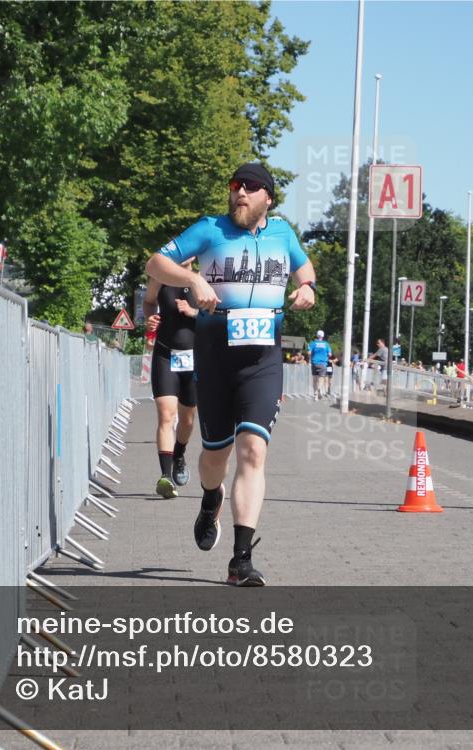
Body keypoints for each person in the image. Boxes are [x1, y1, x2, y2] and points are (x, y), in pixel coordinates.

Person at [147, 162, 316, 586]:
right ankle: (210, 499)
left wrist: (307, 288)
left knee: (253, 451)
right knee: (214, 458)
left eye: (251, 186)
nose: (240, 191)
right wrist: (191, 278)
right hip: (215, 357)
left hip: (263, 360)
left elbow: (305, 270)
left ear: (268, 197)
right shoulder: (210, 229)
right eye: (235, 185)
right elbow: (155, 263)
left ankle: (241, 561)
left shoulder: (283, 234)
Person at [143, 259, 199, 499]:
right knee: (166, 414)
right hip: (165, 355)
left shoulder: (202, 280)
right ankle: (165, 477)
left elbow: (218, 313)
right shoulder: (160, 277)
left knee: (187, 419)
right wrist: (150, 318)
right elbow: (148, 302)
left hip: (195, 358)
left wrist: (194, 312)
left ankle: (179, 455)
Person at [308, 330, 331, 400]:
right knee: (322, 378)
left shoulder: (313, 343)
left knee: (314, 379)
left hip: (314, 363)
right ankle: (319, 388)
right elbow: (330, 354)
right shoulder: (326, 344)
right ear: (323, 336)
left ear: (317, 335)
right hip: (323, 363)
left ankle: (315, 395)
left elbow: (309, 353)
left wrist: (310, 360)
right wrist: (326, 356)